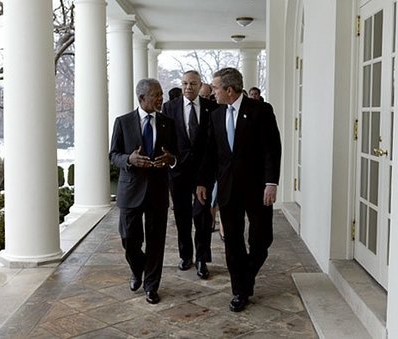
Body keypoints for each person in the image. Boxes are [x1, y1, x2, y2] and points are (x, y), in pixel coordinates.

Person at [197, 67, 281, 312]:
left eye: (215, 88)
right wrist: (203, 181)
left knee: (262, 239)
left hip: (257, 189)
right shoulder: (215, 115)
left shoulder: (261, 111)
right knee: (232, 241)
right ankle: (240, 291)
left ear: (229, 90)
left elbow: (271, 150)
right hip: (228, 189)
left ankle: (246, 277)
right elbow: (211, 153)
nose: (213, 93)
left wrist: (271, 183)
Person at [109, 78, 178, 305]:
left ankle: (151, 286)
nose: (161, 98)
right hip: (130, 191)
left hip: (158, 191)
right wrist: (130, 159)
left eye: (161, 94)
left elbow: (175, 154)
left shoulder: (168, 122)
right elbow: (113, 155)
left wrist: (171, 159)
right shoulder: (123, 122)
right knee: (129, 239)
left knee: (156, 241)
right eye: (156, 95)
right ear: (142, 98)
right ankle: (137, 268)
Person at [162, 70, 218, 279]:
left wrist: (205, 177)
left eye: (193, 84)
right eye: (185, 83)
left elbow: (212, 146)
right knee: (182, 216)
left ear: (200, 85)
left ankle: (203, 259)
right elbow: (166, 141)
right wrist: (171, 161)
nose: (188, 87)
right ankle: (186, 256)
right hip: (178, 172)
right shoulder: (169, 108)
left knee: (202, 216)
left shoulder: (211, 108)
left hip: (204, 173)